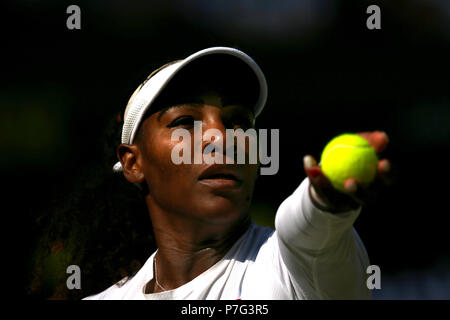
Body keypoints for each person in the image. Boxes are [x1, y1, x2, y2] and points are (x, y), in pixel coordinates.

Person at [84, 47, 391, 300]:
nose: (221, 137)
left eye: (239, 123)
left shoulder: (294, 267)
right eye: (185, 121)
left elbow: (309, 231)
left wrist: (324, 203)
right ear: (132, 163)